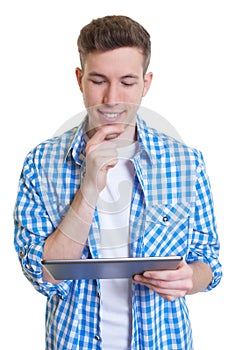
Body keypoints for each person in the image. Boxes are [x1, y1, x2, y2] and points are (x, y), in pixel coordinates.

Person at [14, 15, 222, 349]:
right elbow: (45, 276)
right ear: (80, 80)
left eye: (127, 82)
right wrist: (90, 188)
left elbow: (209, 262)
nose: (113, 98)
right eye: (98, 81)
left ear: (146, 83)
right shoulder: (41, 164)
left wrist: (189, 278)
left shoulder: (186, 162)